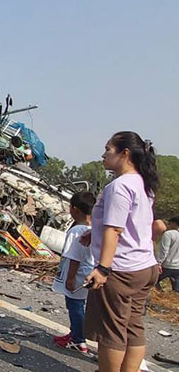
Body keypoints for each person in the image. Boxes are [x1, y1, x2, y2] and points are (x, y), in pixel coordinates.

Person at [81, 132, 160, 372]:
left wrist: (102, 268)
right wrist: (94, 233)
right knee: (134, 326)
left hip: (121, 269)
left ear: (124, 153)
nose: (103, 155)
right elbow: (135, 223)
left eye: (108, 149)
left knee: (112, 331)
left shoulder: (120, 186)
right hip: (145, 266)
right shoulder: (144, 184)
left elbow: (115, 229)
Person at [51, 191, 96, 353]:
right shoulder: (95, 229)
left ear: (75, 209)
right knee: (79, 305)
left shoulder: (78, 230)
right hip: (90, 273)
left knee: (75, 306)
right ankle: (75, 333)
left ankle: (79, 340)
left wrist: (70, 279)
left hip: (78, 274)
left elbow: (75, 257)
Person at [155, 216, 179, 292]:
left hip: (167, 265)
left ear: (174, 223)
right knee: (176, 289)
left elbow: (164, 250)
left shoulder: (169, 234)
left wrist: (159, 263)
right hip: (178, 266)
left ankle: (160, 293)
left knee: (153, 281)